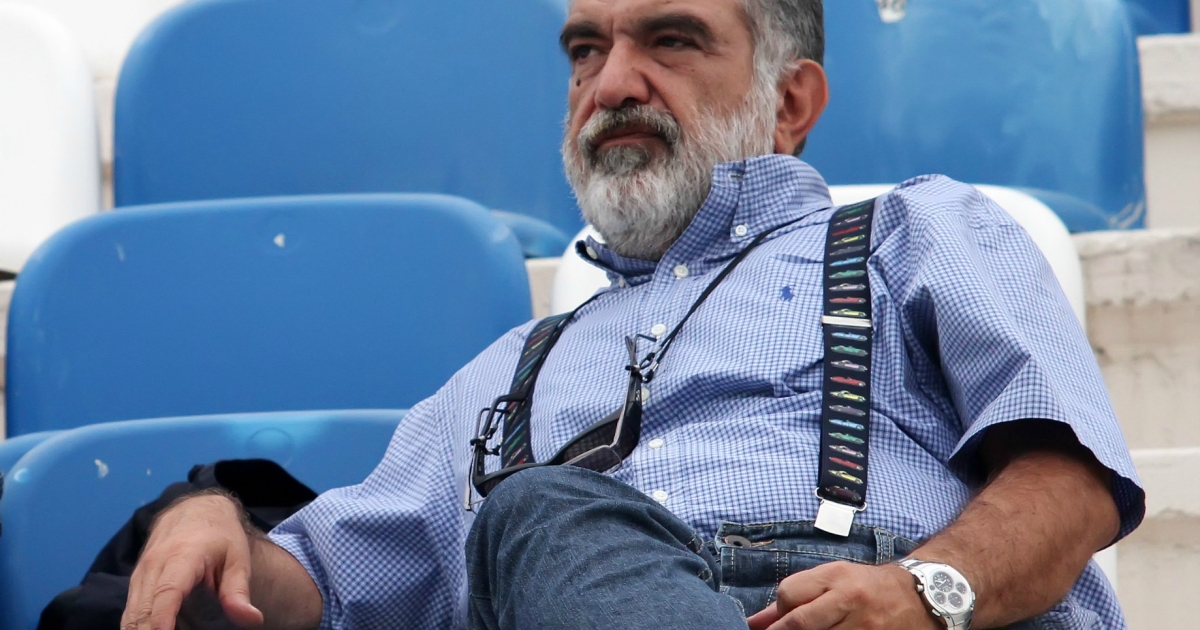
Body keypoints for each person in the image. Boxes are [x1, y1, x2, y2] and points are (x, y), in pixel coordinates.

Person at [121, 0, 1144, 628]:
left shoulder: (914, 231)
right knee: (539, 516)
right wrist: (210, 520)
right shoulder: (500, 374)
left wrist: (926, 593)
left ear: (790, 103)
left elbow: (1071, 480)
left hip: (900, 610)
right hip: (574, 585)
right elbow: (321, 591)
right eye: (584, 50)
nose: (612, 84)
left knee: (537, 512)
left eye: (672, 40)